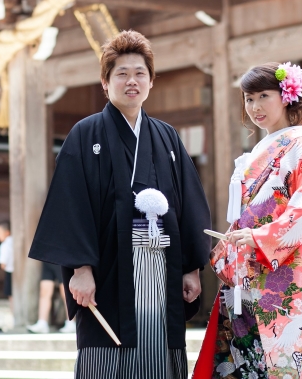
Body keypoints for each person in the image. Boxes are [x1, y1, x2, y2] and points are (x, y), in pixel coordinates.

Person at [29, 30, 212, 379]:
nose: (132, 81)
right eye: (122, 74)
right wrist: (80, 268)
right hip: (108, 271)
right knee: (106, 358)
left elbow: (189, 202)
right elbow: (71, 202)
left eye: (140, 73)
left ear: (151, 81)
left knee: (159, 353)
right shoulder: (85, 134)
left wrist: (191, 267)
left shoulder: (166, 136)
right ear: (105, 82)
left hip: (162, 268)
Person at [192, 62, 302, 379]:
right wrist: (239, 238)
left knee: (291, 358)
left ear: (286, 96)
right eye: (248, 98)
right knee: (248, 359)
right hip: (249, 271)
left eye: (263, 96)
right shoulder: (256, 153)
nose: (254, 107)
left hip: (285, 272)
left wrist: (263, 236)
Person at [27, 262, 75, 334]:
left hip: (61, 257)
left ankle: (71, 323)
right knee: (44, 290)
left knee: (65, 291)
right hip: (47, 258)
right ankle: (42, 322)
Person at [0, 221, 14, 313]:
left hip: (10, 272)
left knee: (11, 296)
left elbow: (3, 264)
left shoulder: (4, 245)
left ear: (7, 232)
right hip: (18, 273)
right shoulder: (15, 241)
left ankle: (14, 315)